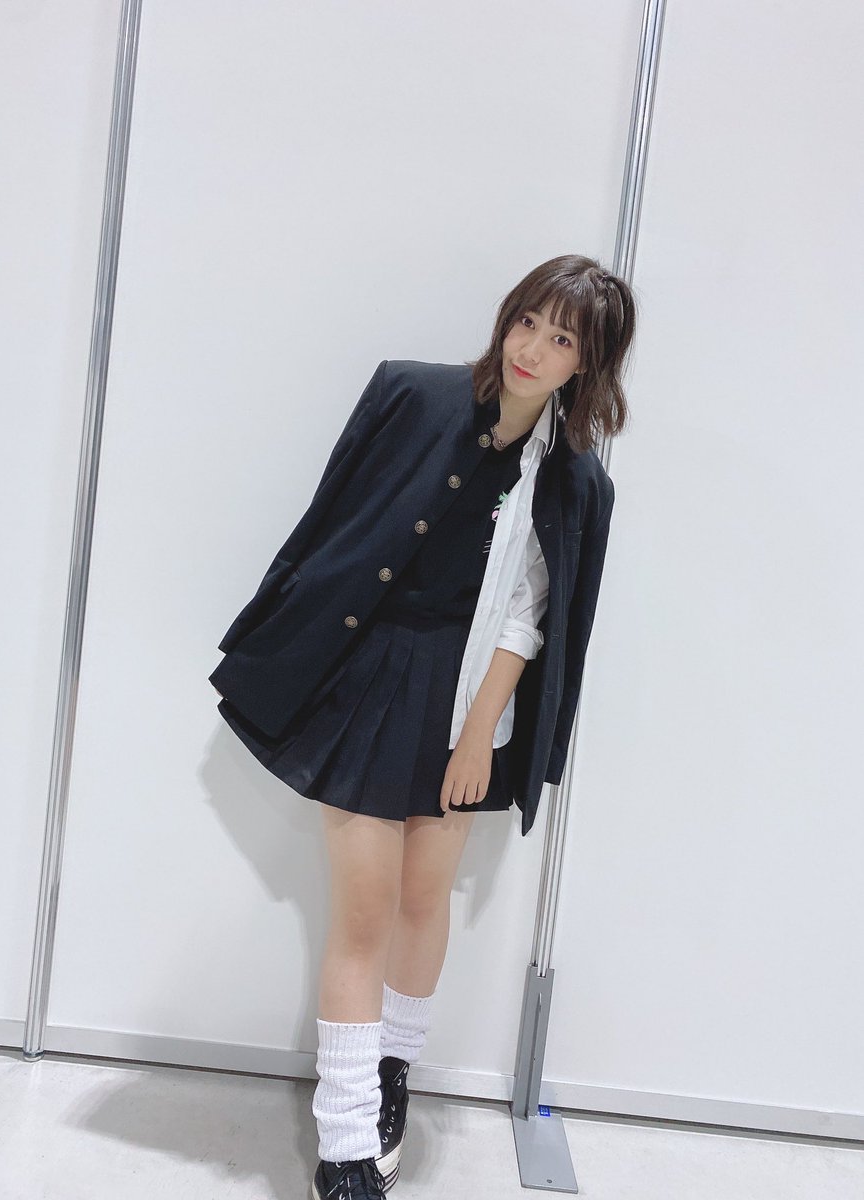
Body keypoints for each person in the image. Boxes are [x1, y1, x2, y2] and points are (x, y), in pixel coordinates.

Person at [209, 254, 636, 1199]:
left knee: (421, 899)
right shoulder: (410, 394)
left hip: (467, 693)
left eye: (563, 339)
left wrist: (480, 734)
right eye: (528, 321)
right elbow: (332, 521)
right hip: (366, 673)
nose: (533, 348)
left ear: (588, 364)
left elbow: (529, 616)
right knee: (364, 909)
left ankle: (392, 1069)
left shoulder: (574, 484)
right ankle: (346, 1142)